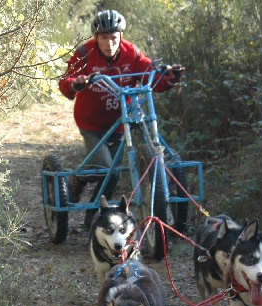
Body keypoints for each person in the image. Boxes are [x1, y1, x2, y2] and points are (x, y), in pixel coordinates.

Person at [59, 9, 184, 228]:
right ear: (96, 38)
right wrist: (75, 83)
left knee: (112, 174)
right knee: (106, 169)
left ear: (121, 36)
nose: (109, 43)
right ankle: (78, 181)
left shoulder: (131, 53)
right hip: (92, 123)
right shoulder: (84, 53)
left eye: (114, 37)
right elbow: (66, 82)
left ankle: (94, 214)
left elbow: (149, 76)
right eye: (104, 38)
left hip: (120, 123)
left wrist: (169, 78)